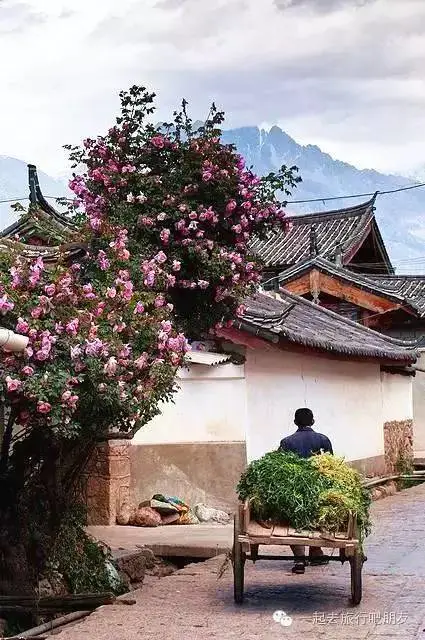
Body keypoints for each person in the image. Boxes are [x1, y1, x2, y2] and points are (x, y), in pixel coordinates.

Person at [279, 407, 333, 575]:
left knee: (294, 520)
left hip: (294, 490)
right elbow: (331, 465)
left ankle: (300, 558)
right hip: (319, 489)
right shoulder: (323, 440)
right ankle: (316, 552)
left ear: (295, 422)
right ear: (313, 421)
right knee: (318, 518)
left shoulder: (287, 442)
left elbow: (281, 467)